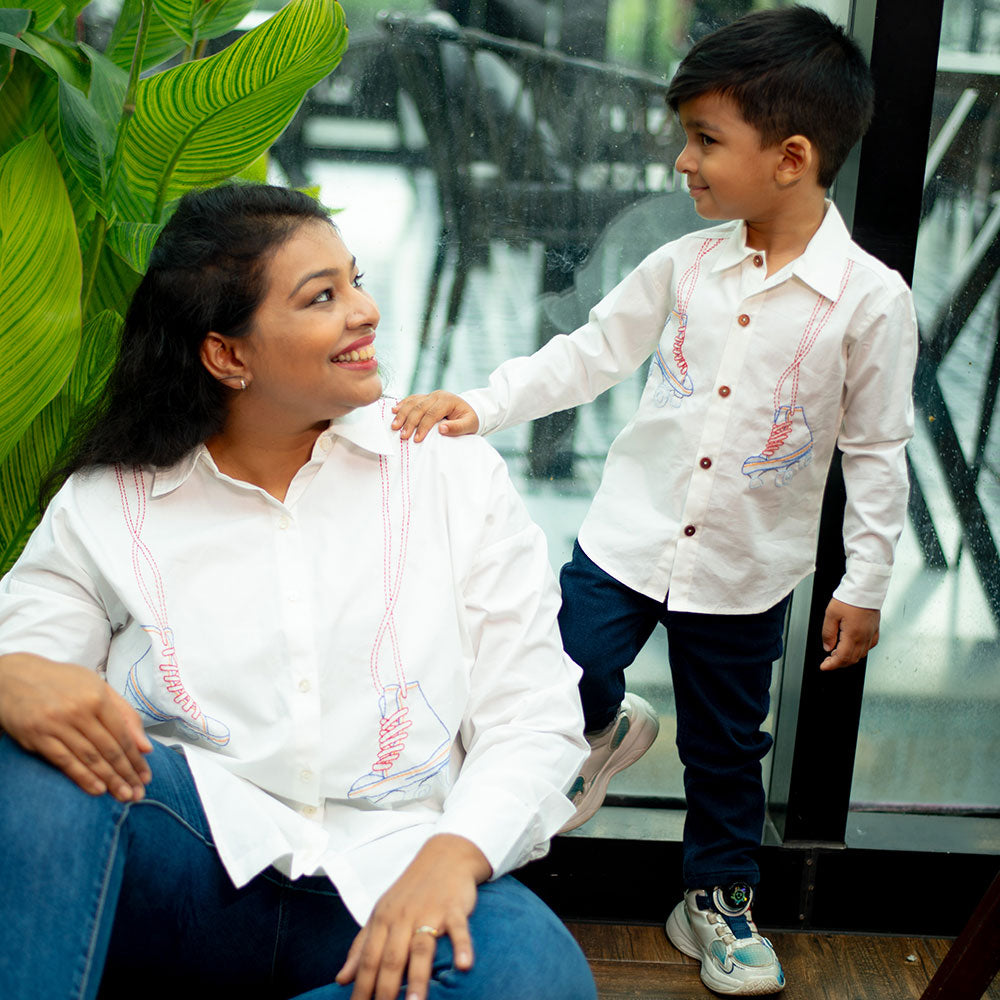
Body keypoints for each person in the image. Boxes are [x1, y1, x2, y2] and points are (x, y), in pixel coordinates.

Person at [391, 7, 918, 996]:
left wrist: (866, 581)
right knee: (558, 670)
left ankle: (715, 900)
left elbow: (877, 451)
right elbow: (589, 353)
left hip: (744, 572)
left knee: (728, 749)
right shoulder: (681, 266)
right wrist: (483, 402)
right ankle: (600, 725)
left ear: (791, 157)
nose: (683, 161)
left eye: (705, 140)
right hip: (626, 542)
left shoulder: (870, 303)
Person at [0, 183, 597, 1000]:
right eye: (323, 296)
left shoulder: (450, 471)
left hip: (388, 879)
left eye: (355, 280)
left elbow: (533, 716)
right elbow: (25, 652)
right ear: (228, 356)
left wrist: (453, 857)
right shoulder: (111, 501)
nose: (365, 311)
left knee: (531, 975)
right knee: (31, 754)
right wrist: (11, 674)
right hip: (190, 865)